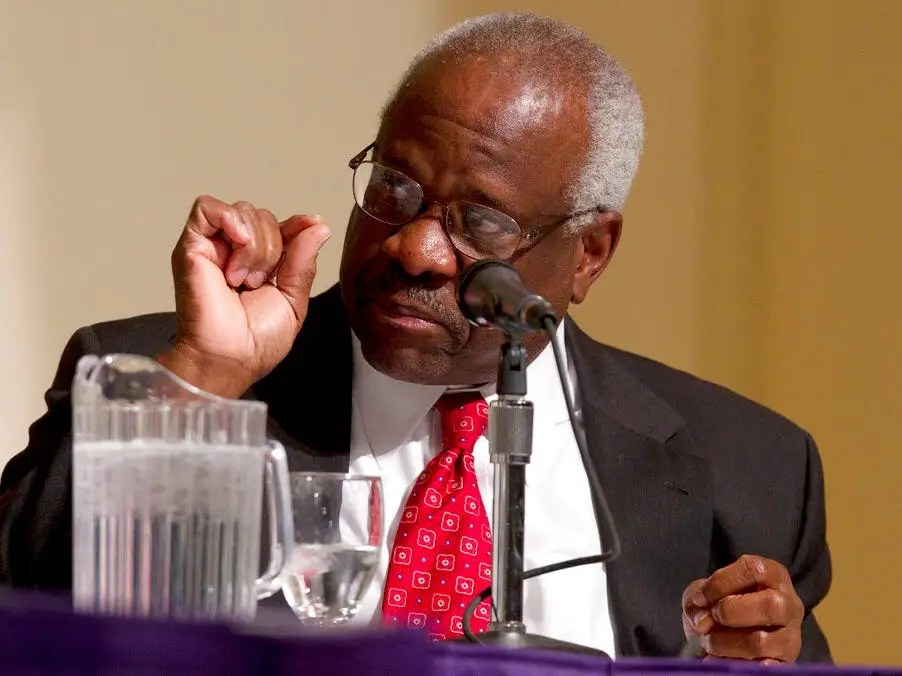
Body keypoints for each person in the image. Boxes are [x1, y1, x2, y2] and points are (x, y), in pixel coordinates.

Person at [0, 13, 830, 663]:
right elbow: (32, 606)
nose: (415, 248)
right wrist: (204, 378)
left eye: (481, 222)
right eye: (394, 188)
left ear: (590, 253)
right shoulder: (167, 385)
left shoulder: (747, 470)